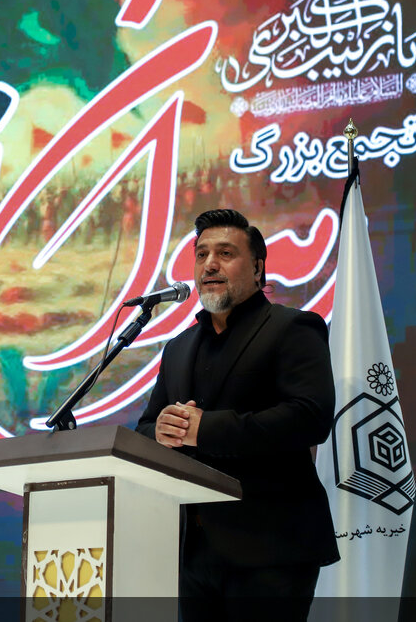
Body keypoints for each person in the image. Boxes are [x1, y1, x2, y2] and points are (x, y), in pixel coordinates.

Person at [136, 209, 338, 622]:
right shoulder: (178, 347)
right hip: (191, 552)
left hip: (271, 548)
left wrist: (205, 429)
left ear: (258, 268)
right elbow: (145, 427)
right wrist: (160, 431)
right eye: (202, 254)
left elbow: (310, 416)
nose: (209, 264)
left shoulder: (294, 328)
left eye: (226, 253)